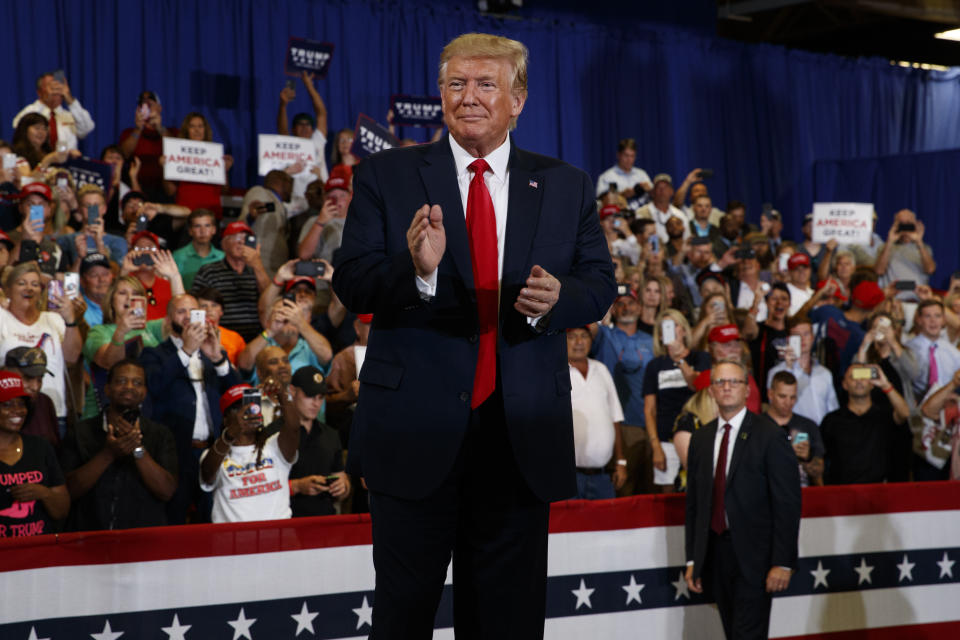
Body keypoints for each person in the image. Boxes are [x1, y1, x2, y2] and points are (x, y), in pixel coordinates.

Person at [331, 33, 615, 638]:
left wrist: (560, 300)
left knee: (506, 624)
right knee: (403, 618)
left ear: (518, 100)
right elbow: (353, 283)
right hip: (414, 433)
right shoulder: (387, 175)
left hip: (518, 441)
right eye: (456, 84)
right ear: (440, 95)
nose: (469, 97)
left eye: (486, 84)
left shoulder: (565, 184)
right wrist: (417, 271)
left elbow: (599, 283)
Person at [684, 360, 801, 640]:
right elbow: (695, 506)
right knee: (731, 630)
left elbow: (787, 503)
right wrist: (693, 559)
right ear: (710, 390)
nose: (726, 388)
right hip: (716, 554)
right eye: (720, 382)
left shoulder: (770, 435)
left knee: (748, 634)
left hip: (757, 559)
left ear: (747, 390)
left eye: (733, 382)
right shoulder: (700, 439)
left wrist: (783, 562)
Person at [140, 294, 240, 524]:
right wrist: (185, 351)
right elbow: (153, 386)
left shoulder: (210, 353)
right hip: (174, 453)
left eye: (193, 311)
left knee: (212, 519)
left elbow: (237, 395)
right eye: (181, 311)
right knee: (173, 519)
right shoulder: (154, 354)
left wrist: (218, 358)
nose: (187, 317)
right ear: (168, 319)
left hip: (213, 451)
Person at [59, 360, 177, 531]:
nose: (129, 387)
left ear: (144, 393)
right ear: (107, 389)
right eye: (121, 381)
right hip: (90, 537)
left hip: (142, 540)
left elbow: (166, 491)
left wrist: (137, 449)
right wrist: (108, 454)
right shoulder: (80, 432)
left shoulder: (160, 434)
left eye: (137, 383)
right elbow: (68, 491)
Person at [199, 381, 299, 523]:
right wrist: (229, 435)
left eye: (251, 405)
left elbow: (294, 428)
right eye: (238, 408)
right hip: (234, 540)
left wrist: (282, 395)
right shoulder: (216, 453)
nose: (246, 411)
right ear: (226, 419)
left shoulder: (273, 446)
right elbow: (207, 474)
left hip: (278, 538)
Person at [0, 263, 82, 432]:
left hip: (53, 409)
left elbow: (72, 358)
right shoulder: (2, 318)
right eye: (21, 283)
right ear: (7, 289)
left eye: (35, 284)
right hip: (9, 409)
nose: (29, 288)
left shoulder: (54, 319)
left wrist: (70, 319)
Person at [589, 293, 656, 495]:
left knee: (650, 490)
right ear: (614, 310)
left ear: (640, 308)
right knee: (624, 490)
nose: (626, 307)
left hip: (651, 424)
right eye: (620, 304)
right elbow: (589, 327)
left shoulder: (651, 340)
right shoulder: (604, 335)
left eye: (631, 303)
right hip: (621, 425)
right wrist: (601, 307)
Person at [266, 365, 350, 517]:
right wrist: (297, 486)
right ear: (292, 391)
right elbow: (260, 488)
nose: (316, 403)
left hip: (325, 521)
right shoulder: (272, 434)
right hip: (286, 521)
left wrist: (342, 487)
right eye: (310, 396)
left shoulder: (331, 435)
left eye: (320, 397)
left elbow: (342, 482)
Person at [642, 310, 711, 492]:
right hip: (666, 439)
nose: (671, 331)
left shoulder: (701, 358)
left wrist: (680, 360)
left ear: (684, 330)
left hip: (697, 436)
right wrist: (656, 446)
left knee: (701, 489)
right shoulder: (654, 366)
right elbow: (649, 410)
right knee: (669, 496)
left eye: (674, 326)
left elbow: (698, 387)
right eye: (665, 327)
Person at [81, 275, 163, 419]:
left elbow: (180, 314)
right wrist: (121, 331)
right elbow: (109, 363)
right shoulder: (99, 331)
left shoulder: (150, 328)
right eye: (123, 293)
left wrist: (174, 277)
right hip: (102, 415)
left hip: (145, 413)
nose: (130, 298)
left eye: (136, 294)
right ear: (111, 300)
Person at [0, 371, 69, 538]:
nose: (17, 411)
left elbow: (62, 511)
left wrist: (44, 493)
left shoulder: (40, 447)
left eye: (21, 404)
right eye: (7, 405)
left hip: (38, 554)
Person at [821, 364, 911, 484]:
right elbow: (820, 457)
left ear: (872, 383)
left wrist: (885, 384)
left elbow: (904, 413)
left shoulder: (884, 415)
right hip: (842, 491)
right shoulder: (832, 420)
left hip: (879, 490)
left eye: (863, 376)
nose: (859, 381)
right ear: (844, 384)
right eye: (853, 377)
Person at [567, 326, 626, 499]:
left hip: (602, 476)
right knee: (569, 525)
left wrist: (621, 461)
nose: (579, 342)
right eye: (572, 336)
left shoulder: (601, 369)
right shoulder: (556, 371)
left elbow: (615, 416)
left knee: (606, 524)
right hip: (569, 476)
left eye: (584, 336)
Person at [191, 221, 269, 342]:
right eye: (236, 237)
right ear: (224, 244)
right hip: (220, 336)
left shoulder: (258, 270)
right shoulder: (208, 271)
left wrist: (258, 266)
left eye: (246, 238)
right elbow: (195, 306)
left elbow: (270, 299)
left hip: (256, 336)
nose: (241, 242)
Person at [766, 313, 839, 425]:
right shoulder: (776, 373)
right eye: (797, 335)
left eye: (806, 334)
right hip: (793, 432)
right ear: (789, 339)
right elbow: (776, 407)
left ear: (812, 337)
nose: (802, 339)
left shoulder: (825, 373)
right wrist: (789, 369)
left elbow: (833, 409)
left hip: (823, 435)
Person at [237, 298, 333, 381]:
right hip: (269, 401)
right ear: (268, 320)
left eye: (292, 313)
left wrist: (301, 324)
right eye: (281, 312)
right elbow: (244, 364)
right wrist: (270, 331)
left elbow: (327, 355)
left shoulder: (311, 347)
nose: (287, 317)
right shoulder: (261, 346)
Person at [277, 71, 330, 216]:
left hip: (320, 203)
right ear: (293, 129)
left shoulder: (317, 142)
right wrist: (283, 106)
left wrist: (309, 85)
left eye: (308, 125)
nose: (305, 127)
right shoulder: (289, 145)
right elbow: (282, 130)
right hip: (296, 207)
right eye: (300, 124)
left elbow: (321, 113)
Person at [161, 112, 232, 217]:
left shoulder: (215, 154)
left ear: (205, 129)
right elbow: (170, 191)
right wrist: (165, 168)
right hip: (185, 215)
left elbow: (224, 191)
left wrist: (224, 171)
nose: (197, 130)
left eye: (200, 126)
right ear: (186, 130)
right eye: (192, 126)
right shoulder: (176, 153)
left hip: (211, 215)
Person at [765, 371, 824, 487]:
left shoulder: (808, 425)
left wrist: (807, 458)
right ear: (770, 394)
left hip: (801, 492)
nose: (788, 402)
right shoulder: (757, 426)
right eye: (782, 396)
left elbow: (819, 471)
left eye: (792, 397)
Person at [118, 91, 177, 201]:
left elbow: (176, 150)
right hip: (137, 186)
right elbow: (124, 154)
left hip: (165, 189)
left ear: (159, 108)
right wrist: (138, 128)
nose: (146, 108)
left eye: (150, 105)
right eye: (143, 105)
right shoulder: (129, 133)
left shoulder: (172, 132)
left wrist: (159, 127)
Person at [14, 71, 94, 153]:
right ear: (39, 92)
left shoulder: (70, 116)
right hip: (37, 161)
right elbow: (18, 126)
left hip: (66, 163)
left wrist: (69, 97)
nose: (55, 89)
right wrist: (43, 101)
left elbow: (87, 128)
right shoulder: (32, 110)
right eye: (50, 86)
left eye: (58, 86)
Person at [118, 231, 185, 321]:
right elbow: (112, 304)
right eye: (139, 248)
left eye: (151, 248)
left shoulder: (167, 283)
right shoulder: (126, 281)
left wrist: (174, 276)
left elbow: (183, 309)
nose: (145, 252)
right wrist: (124, 271)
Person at [56, 184, 128, 268]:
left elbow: (116, 275)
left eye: (96, 205)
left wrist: (99, 243)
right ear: (79, 209)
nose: (92, 210)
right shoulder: (66, 240)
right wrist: (79, 257)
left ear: (104, 209)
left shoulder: (118, 241)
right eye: (87, 205)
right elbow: (65, 275)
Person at [4, 347, 60, 447]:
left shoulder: (45, 402)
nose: (35, 387)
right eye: (28, 378)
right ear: (7, 372)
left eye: (40, 379)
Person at [240, 170, 293, 273]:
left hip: (274, 266)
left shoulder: (279, 204)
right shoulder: (259, 192)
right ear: (283, 183)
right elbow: (243, 224)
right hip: (260, 263)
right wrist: (250, 216)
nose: (291, 189)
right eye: (290, 184)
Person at [297, 165, 353, 263]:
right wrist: (320, 223)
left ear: (350, 197)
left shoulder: (361, 222)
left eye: (342, 195)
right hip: (323, 275)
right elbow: (304, 255)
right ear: (325, 199)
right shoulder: (314, 221)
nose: (338, 200)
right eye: (332, 196)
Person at [905, 299, 960, 399]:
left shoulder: (953, 352)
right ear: (919, 320)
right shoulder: (909, 349)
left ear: (943, 320)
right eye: (927, 316)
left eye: (937, 316)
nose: (933, 321)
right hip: (917, 403)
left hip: (948, 403)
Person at [875, 209, 936, 293]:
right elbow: (879, 271)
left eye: (908, 224)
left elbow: (930, 270)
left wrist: (919, 242)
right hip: (894, 300)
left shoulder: (924, 248)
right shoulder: (884, 248)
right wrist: (890, 242)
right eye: (901, 224)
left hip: (917, 299)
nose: (905, 228)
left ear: (915, 224)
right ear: (895, 225)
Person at [172, 209, 225, 290]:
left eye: (207, 225)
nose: (203, 231)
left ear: (214, 230)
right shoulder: (177, 256)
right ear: (190, 231)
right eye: (197, 226)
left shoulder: (223, 257)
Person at [195, 287, 246, 367]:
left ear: (221, 311)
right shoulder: (191, 335)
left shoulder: (235, 338)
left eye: (214, 305)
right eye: (203, 305)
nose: (209, 309)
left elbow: (242, 369)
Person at [637, 173, 688, 243]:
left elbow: (687, 239)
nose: (662, 190)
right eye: (658, 187)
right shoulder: (641, 214)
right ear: (653, 192)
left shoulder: (680, 215)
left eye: (666, 187)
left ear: (672, 191)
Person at [79, 252, 115, 327]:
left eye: (105, 274)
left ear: (112, 276)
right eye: (94, 275)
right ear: (82, 281)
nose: (101, 280)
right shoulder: (79, 310)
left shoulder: (120, 304)